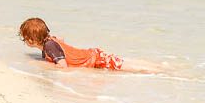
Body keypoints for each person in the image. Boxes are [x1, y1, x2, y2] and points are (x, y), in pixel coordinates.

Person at [18, 17, 159, 73]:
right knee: (124, 62)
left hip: (95, 59)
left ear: (31, 40)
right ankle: (162, 67)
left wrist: (40, 65)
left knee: (127, 67)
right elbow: (61, 39)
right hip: (94, 55)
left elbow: (63, 67)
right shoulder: (49, 41)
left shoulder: (49, 46)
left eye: (25, 38)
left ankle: (159, 71)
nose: (24, 41)